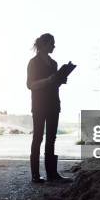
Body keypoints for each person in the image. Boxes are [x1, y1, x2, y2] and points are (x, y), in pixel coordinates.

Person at [26, 33, 71, 183]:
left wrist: (60, 79)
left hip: (53, 104)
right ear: (44, 44)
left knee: (51, 139)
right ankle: (35, 175)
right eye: (52, 43)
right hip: (39, 105)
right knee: (37, 138)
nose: (54, 46)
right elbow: (30, 85)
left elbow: (54, 84)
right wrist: (49, 80)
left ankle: (52, 174)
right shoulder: (33, 63)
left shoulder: (54, 63)